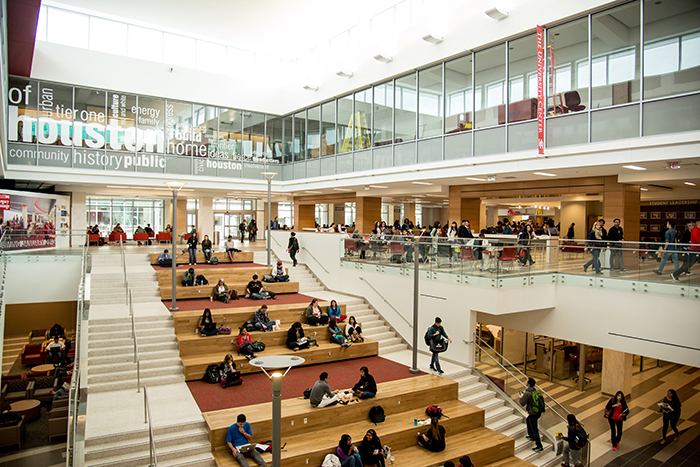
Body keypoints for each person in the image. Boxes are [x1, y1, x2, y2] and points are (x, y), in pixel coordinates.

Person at [519, 377, 544, 452]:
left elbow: (522, 403)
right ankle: (531, 435)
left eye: (526, 381)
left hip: (533, 412)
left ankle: (539, 445)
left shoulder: (527, 393)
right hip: (538, 412)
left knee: (535, 428)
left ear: (528, 383)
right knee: (528, 419)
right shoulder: (535, 391)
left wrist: (521, 397)